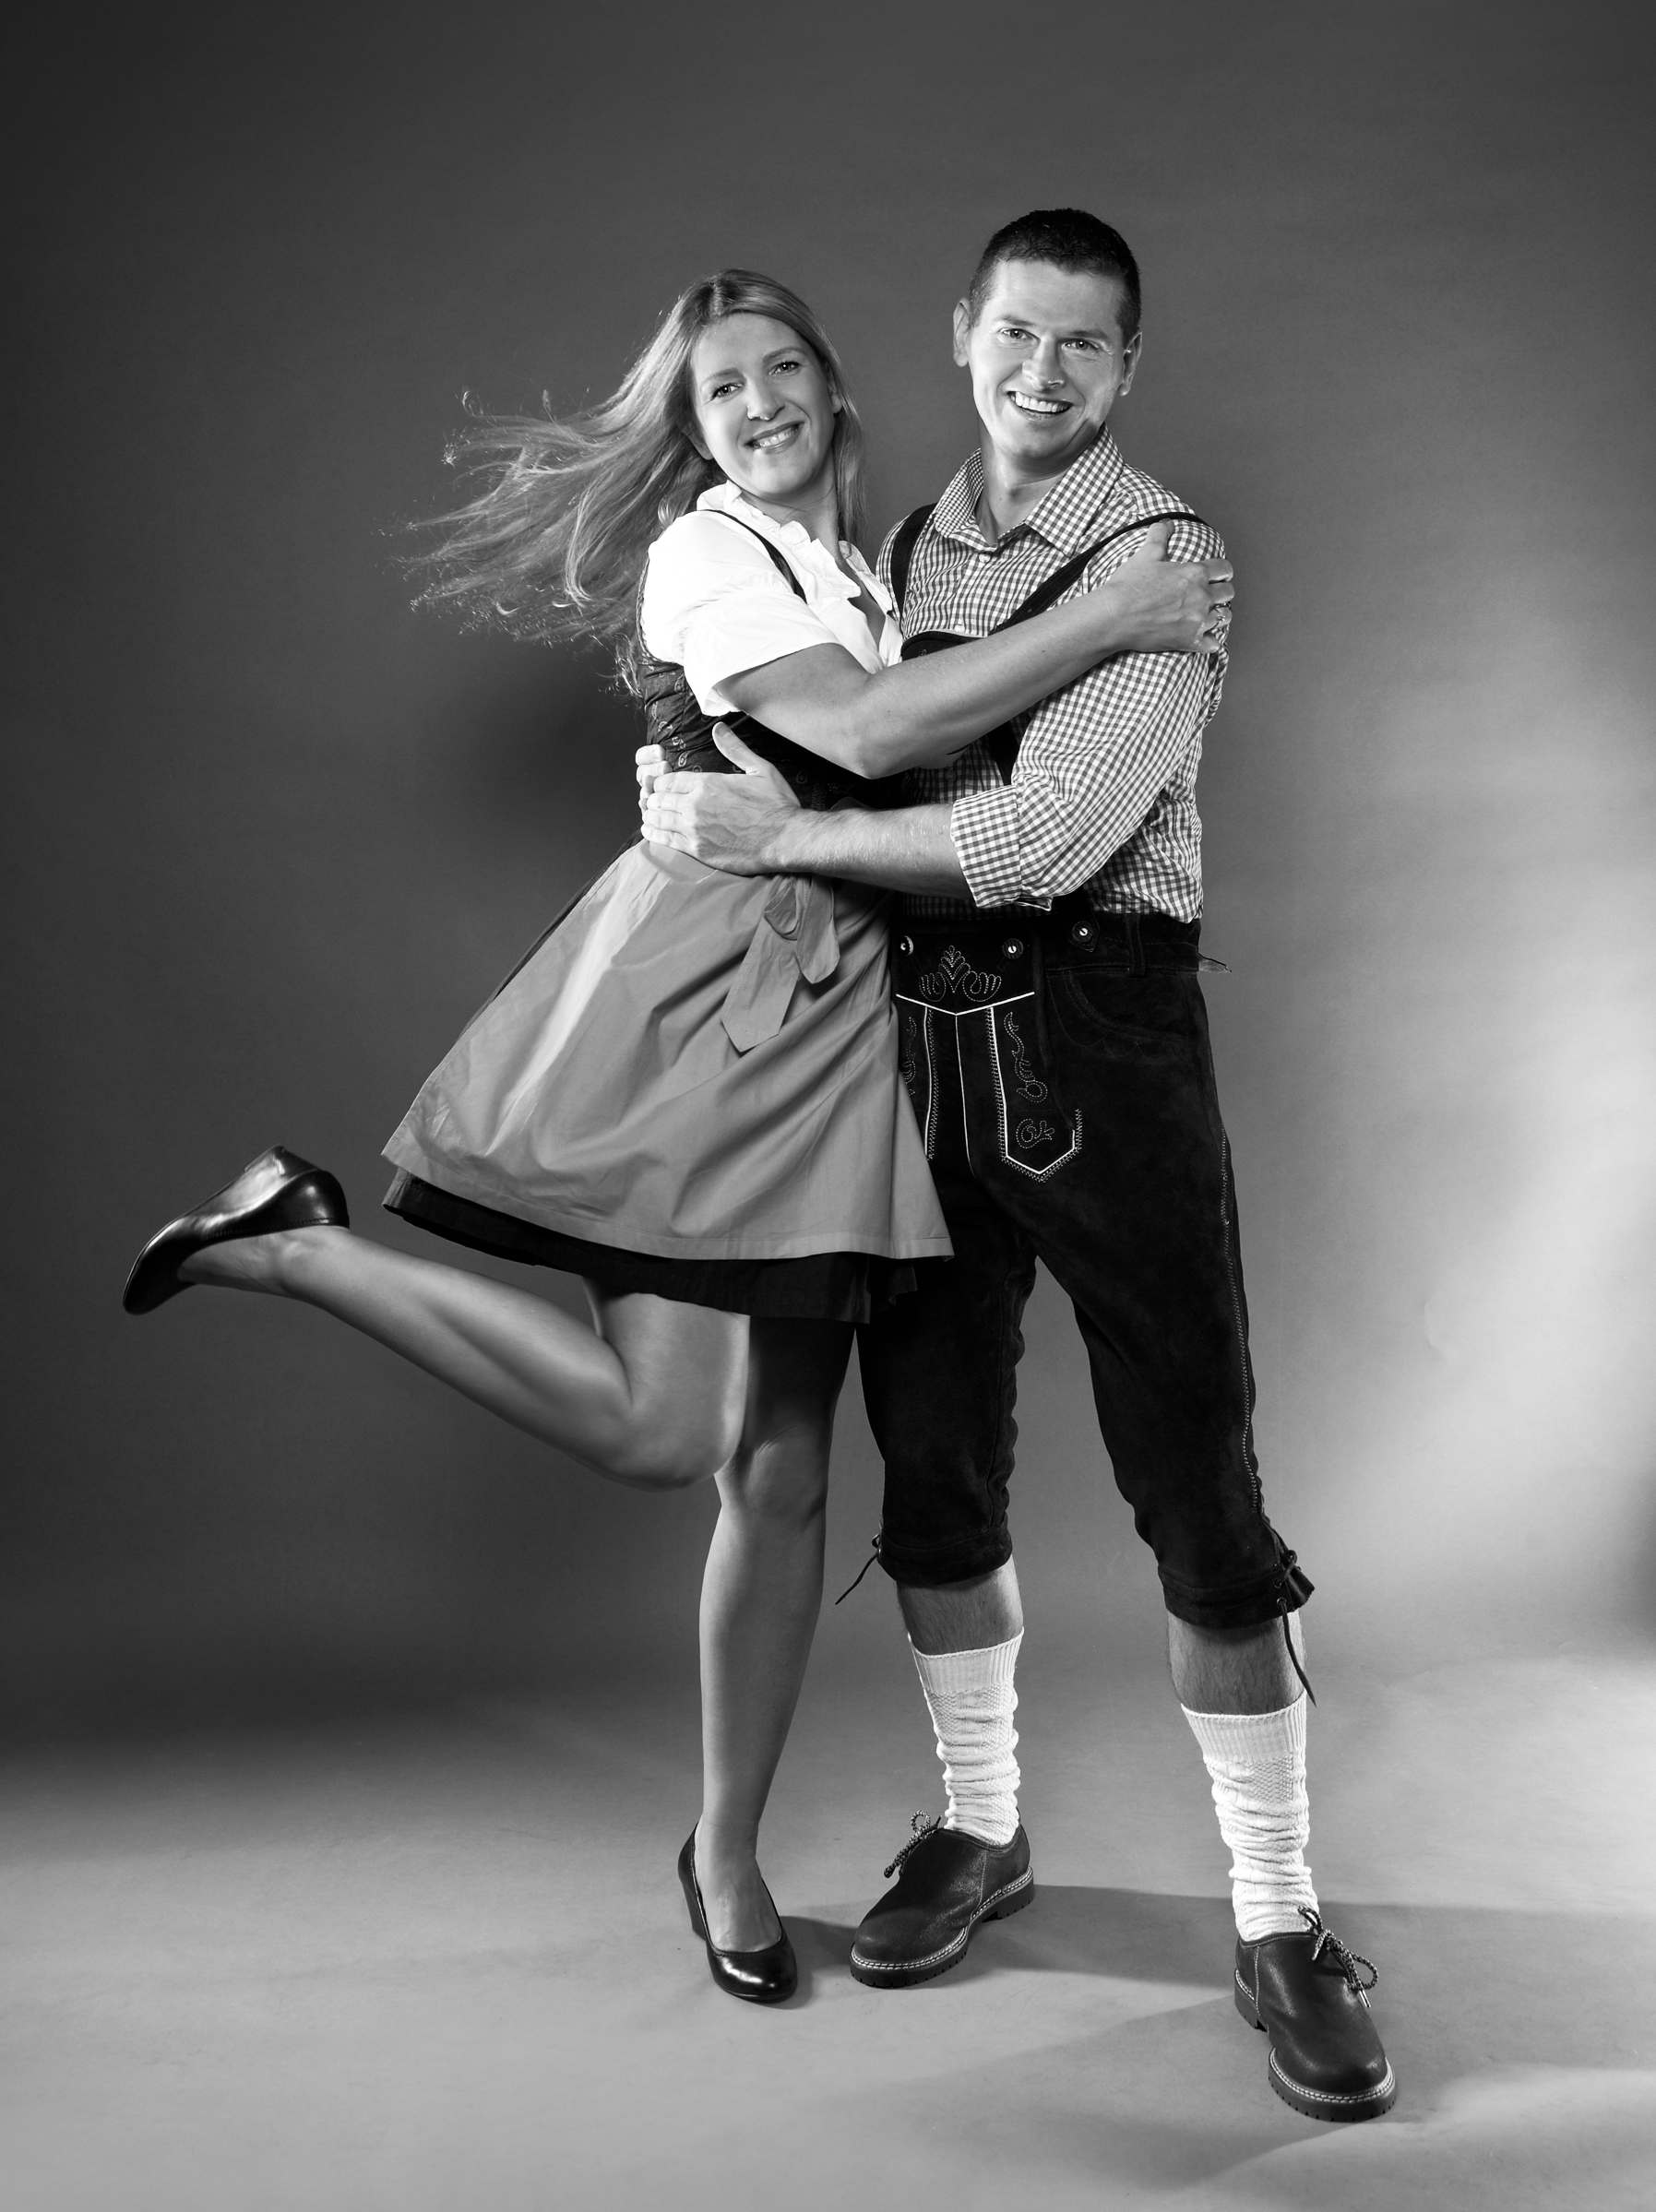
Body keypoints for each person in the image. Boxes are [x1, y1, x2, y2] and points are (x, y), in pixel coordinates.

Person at [122, 268, 1231, 2008]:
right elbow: (870, 732)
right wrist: (1116, 614)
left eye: (786, 369)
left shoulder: (871, 566)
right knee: (672, 1428)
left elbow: (935, 777)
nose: (763, 401)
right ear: (694, 429)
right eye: (724, 388)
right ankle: (301, 1245)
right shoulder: (709, 557)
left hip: (841, 1018)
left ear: (838, 392)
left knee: (783, 1469)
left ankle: (726, 1851)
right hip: (716, 995)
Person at [641, 214, 1396, 2117]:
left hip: (1100, 1041)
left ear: (1126, 366)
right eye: (1015, 336)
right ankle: (981, 1825)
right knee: (939, 1474)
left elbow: (1040, 838)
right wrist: (700, 783)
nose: (1041, 374)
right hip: (911, 1045)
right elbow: (849, 744)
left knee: (1198, 1489)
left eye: (1083, 346)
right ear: (962, 335)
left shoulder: (1164, 559)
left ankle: (1280, 1915)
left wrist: (777, 836)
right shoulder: (904, 549)